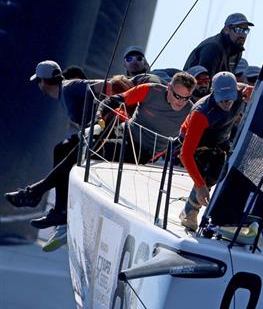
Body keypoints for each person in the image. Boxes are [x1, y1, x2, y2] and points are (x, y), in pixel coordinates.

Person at [5, 61, 133, 248]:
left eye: (38, 82)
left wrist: (105, 114)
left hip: (105, 135)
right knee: (61, 149)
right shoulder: (66, 92)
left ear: (43, 82)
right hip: (95, 136)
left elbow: (108, 85)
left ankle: (38, 195)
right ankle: (56, 208)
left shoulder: (69, 86)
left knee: (65, 150)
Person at [178, 72, 249, 231]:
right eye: (222, 98)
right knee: (210, 167)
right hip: (197, 141)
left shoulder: (242, 93)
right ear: (213, 93)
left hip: (221, 137)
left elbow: (256, 90)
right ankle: (190, 212)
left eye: (229, 98)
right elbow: (185, 154)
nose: (226, 102)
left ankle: (231, 217)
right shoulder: (201, 113)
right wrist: (200, 185)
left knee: (239, 166)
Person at [102, 71, 196, 163]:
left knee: (101, 149)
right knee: (95, 136)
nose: (181, 102)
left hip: (143, 150)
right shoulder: (151, 90)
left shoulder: (191, 112)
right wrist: (98, 117)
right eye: (177, 96)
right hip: (124, 131)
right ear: (169, 87)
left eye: (186, 98)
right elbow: (112, 100)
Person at [183, 13, 253, 78]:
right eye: (238, 30)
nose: (243, 35)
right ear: (226, 30)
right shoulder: (213, 48)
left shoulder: (236, 49)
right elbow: (206, 80)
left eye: (246, 31)